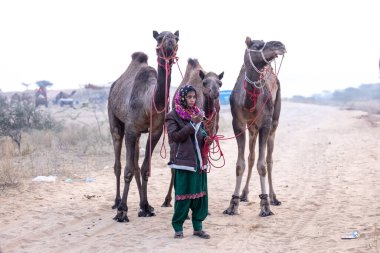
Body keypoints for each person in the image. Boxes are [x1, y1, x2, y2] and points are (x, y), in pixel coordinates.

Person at [165, 85, 210, 239]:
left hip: (199, 161)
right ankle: (178, 228)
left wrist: (207, 138)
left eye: (194, 97)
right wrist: (192, 125)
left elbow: (201, 133)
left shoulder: (198, 114)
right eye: (189, 97)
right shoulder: (172, 116)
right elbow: (175, 137)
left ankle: (198, 228)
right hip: (183, 162)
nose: (192, 100)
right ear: (182, 98)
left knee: (200, 197)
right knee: (183, 196)